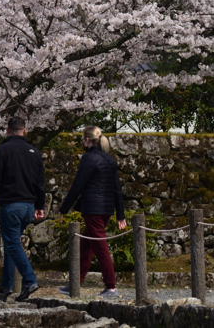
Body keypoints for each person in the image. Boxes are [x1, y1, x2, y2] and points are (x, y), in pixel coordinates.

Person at [0, 116, 45, 302]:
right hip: (28, 207)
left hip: (11, 206)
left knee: (13, 244)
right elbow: (40, 183)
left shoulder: (2, 150)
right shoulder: (35, 152)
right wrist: (40, 205)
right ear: (25, 130)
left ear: (7, 131)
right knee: (11, 243)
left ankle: (30, 280)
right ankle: (6, 285)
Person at [57, 126, 126, 298]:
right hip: (106, 209)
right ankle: (75, 283)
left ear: (87, 140)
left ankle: (111, 286)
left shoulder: (88, 158)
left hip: (92, 209)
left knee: (100, 248)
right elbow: (117, 189)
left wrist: (64, 209)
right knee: (86, 246)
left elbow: (77, 185)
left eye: (83, 139)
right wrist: (120, 214)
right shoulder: (110, 159)